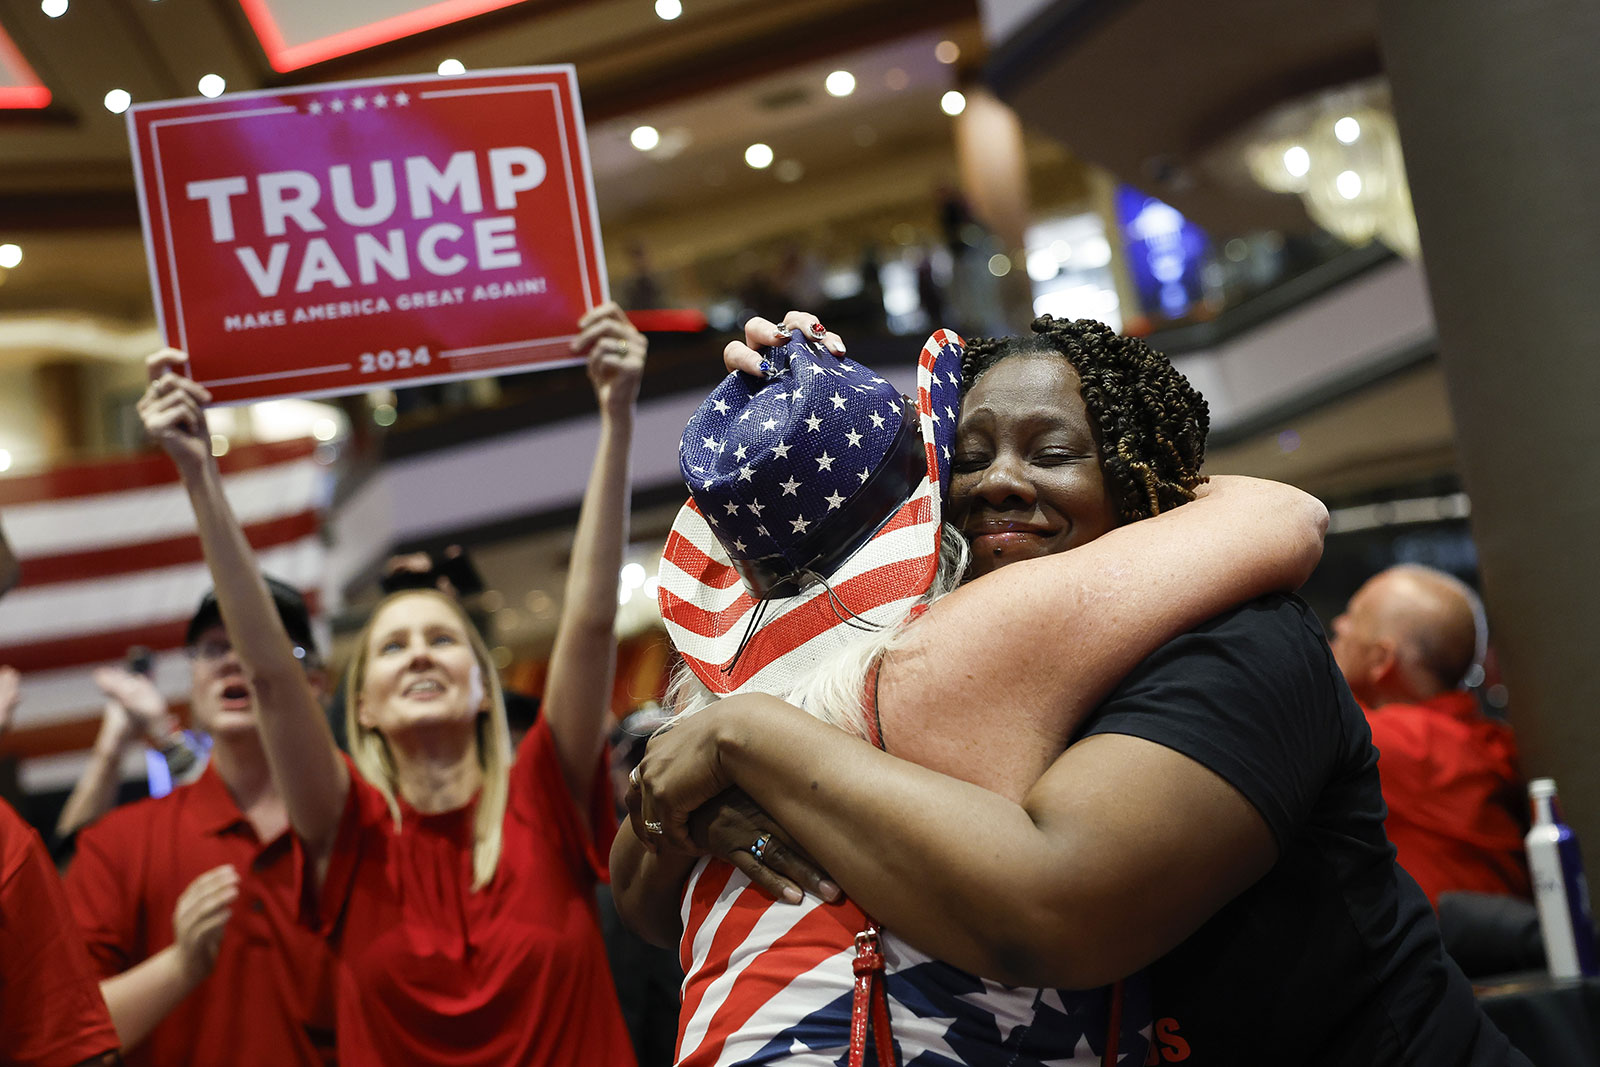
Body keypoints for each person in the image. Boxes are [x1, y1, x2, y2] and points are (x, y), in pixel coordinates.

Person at [624, 314, 1528, 1065]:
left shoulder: (1241, 641)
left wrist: (751, 743)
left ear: (1139, 483)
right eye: (967, 458)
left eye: (1053, 451)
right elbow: (642, 891)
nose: (1001, 483)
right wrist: (799, 415)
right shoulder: (933, 647)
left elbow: (1057, 909)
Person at [135, 302, 645, 1066]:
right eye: (392, 645)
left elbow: (591, 622)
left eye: (442, 639)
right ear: (361, 704)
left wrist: (617, 415)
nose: (418, 655)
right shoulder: (348, 829)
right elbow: (273, 677)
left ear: (481, 686)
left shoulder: (547, 785)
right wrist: (199, 471)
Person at [63, 580, 339, 1066]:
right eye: (213, 648)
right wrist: (180, 966)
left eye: (260, 643)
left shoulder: (366, 825)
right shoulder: (119, 843)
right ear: (192, 680)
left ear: (315, 684)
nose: (233, 660)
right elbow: (65, 1035)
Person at [1330, 565, 1530, 904]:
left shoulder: (1403, 745)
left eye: (1354, 616)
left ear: (1381, 660)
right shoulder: (1470, 739)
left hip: (1460, 954)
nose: (1338, 625)